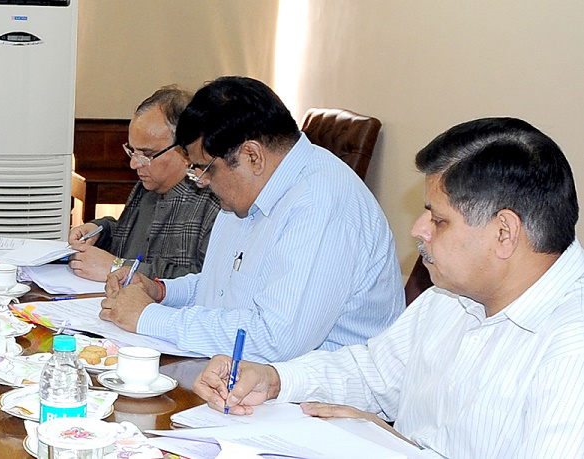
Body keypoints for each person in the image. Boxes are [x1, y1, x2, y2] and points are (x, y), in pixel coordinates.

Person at [193, 117, 584, 457]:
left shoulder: (572, 346)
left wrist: (395, 448)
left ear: (504, 233)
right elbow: (371, 372)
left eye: (438, 220)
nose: (418, 229)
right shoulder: (450, 298)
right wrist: (274, 379)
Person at [100, 76, 403, 362]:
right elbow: (223, 292)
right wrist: (162, 292)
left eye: (204, 168)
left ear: (252, 156)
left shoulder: (320, 202)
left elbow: (275, 338)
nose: (199, 182)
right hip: (254, 381)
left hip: (320, 401)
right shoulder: (247, 191)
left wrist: (149, 317)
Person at [68, 86, 220, 282]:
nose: (134, 164)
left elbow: (202, 282)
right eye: (132, 151)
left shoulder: (213, 201)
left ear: (186, 151)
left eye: (147, 154)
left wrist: (118, 268)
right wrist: (99, 230)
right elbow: (128, 240)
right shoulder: (147, 186)